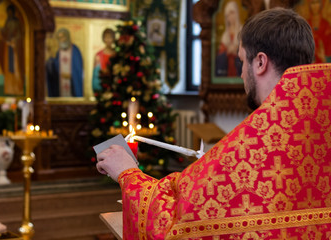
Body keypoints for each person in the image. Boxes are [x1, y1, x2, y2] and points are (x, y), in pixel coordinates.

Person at [96, 8, 331, 239]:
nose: (241, 76)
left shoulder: (255, 143)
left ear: (260, 62)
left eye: (241, 62)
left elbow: (174, 225)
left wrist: (128, 173)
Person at [0, 4, 24, 95]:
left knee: (14, 68)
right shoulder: (8, 21)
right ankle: (9, 89)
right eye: (8, 12)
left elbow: (19, 34)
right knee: (8, 68)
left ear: (13, 12)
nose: (9, 14)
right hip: (8, 47)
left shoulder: (16, 22)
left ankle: (17, 88)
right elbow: (4, 31)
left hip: (14, 47)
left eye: (10, 12)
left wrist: (14, 41)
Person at [46, 28, 83, 97]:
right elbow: (55, 67)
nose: (62, 40)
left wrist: (71, 76)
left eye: (63, 37)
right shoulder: (58, 52)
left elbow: (78, 70)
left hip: (72, 85)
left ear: (67, 37)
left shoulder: (75, 50)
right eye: (59, 38)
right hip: (61, 85)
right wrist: (50, 63)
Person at [215, 1, 242, 77]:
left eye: (232, 13)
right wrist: (227, 52)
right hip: (227, 68)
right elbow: (220, 55)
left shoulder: (242, 30)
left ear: (237, 13)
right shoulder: (225, 35)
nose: (230, 17)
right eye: (227, 15)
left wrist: (236, 50)